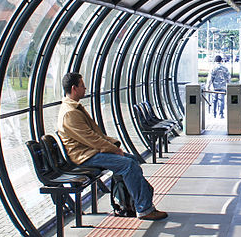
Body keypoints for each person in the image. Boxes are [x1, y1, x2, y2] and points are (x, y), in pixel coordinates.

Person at [58, 72, 168, 221]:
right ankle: (144, 209)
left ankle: (131, 203)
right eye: (82, 86)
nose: (85, 89)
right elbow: (92, 139)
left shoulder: (73, 108)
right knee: (128, 165)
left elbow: (93, 137)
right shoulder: (70, 113)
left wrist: (113, 144)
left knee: (132, 160)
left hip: (90, 152)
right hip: (86, 156)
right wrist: (114, 149)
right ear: (74, 88)